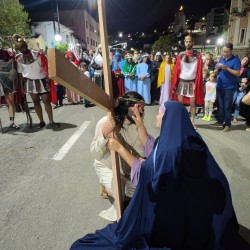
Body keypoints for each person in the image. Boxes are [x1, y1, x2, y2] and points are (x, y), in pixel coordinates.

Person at [70, 101, 239, 250]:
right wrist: (140, 124)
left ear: (167, 118)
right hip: (204, 206)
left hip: (188, 213)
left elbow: (149, 175)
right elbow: (152, 148)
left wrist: (120, 149)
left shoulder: (170, 150)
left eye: (159, 112)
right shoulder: (184, 136)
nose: (156, 115)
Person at [90, 91, 146, 221]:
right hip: (106, 166)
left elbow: (139, 150)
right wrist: (104, 135)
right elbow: (94, 153)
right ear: (128, 105)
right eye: (139, 106)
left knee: (141, 190)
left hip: (125, 168)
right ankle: (105, 184)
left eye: (143, 107)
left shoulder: (136, 123)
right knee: (119, 193)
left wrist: (140, 158)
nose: (142, 111)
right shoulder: (106, 122)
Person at [14, 36, 60, 129]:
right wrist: (22, 87)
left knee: (46, 101)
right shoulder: (19, 58)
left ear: (26, 45)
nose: (22, 49)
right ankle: (41, 121)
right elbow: (20, 73)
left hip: (42, 80)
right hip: (30, 82)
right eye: (20, 48)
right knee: (35, 102)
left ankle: (51, 121)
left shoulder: (37, 54)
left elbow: (46, 66)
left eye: (23, 46)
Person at [170, 34, 204, 130]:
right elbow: (177, 71)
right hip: (182, 81)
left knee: (193, 103)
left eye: (190, 41)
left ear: (193, 42)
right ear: (184, 43)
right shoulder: (180, 55)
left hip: (192, 82)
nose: (188, 43)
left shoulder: (198, 55)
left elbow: (199, 71)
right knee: (180, 104)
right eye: (186, 41)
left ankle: (192, 121)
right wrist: (175, 84)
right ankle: (181, 121)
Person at [210, 43, 241, 132]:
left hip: (229, 87)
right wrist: (216, 71)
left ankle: (227, 124)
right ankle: (220, 121)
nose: (224, 53)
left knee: (227, 106)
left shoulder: (236, 60)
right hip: (220, 86)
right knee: (221, 105)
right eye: (223, 51)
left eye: (226, 51)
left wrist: (226, 68)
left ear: (231, 51)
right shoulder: (222, 59)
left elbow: (238, 73)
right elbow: (217, 69)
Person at [0, 43, 20, 129]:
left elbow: (13, 65)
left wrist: (12, 61)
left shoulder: (7, 53)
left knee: (10, 102)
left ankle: (12, 122)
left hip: (6, 79)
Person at [232, 55, 250, 123]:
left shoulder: (247, 69)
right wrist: (240, 80)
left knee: (238, 102)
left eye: (246, 61)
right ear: (242, 59)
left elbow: (248, 79)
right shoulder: (237, 66)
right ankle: (228, 115)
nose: (244, 61)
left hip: (242, 89)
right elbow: (234, 76)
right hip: (235, 87)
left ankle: (235, 117)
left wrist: (245, 84)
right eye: (244, 59)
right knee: (232, 101)